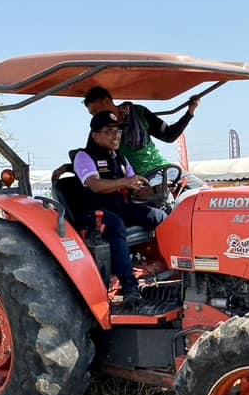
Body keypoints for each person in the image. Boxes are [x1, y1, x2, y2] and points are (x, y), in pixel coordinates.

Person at [73, 111, 168, 308]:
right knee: (115, 224)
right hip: (94, 212)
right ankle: (129, 287)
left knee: (160, 215)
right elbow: (95, 185)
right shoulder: (84, 157)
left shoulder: (121, 158)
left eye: (118, 131)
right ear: (95, 135)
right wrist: (126, 181)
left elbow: (135, 186)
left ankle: (170, 267)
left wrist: (150, 191)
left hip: (119, 207)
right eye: (109, 131)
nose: (116, 136)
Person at [83, 86, 199, 179]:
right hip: (140, 177)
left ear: (107, 101)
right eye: (92, 114)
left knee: (201, 190)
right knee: (166, 200)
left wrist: (190, 112)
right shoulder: (98, 131)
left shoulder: (138, 113)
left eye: (96, 111)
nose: (95, 116)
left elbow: (169, 135)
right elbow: (90, 156)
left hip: (165, 168)